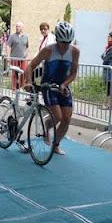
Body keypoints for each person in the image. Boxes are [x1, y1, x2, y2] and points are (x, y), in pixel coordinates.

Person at [24, 21, 79, 156]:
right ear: (57, 39)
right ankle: (46, 127)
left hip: (63, 85)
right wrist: (29, 82)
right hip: (48, 85)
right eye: (62, 42)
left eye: (68, 43)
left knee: (67, 119)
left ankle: (56, 145)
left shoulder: (74, 52)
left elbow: (73, 73)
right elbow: (30, 66)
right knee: (58, 116)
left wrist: (65, 84)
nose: (65, 46)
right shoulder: (48, 50)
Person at [6, 21, 29, 89]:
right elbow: (8, 46)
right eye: (16, 26)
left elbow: (27, 47)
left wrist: (27, 55)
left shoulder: (25, 37)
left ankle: (21, 87)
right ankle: (14, 88)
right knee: (14, 74)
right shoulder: (12, 36)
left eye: (18, 26)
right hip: (14, 58)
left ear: (22, 28)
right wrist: (8, 56)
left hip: (23, 59)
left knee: (23, 72)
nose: (17, 28)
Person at [101, 31, 112, 107]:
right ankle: (107, 104)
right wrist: (104, 55)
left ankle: (108, 104)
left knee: (109, 87)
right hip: (108, 70)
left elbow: (105, 57)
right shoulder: (109, 47)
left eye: (109, 36)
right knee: (108, 87)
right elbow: (103, 56)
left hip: (110, 70)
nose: (108, 37)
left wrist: (104, 55)